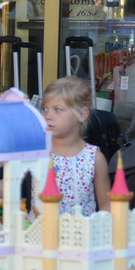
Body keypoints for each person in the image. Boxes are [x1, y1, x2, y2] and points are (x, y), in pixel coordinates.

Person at [40, 76, 111, 214]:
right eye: (45, 108)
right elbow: (9, 184)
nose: (47, 115)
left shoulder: (94, 158)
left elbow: (106, 206)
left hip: (81, 233)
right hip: (39, 233)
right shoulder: (37, 151)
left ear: (82, 114)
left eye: (58, 109)